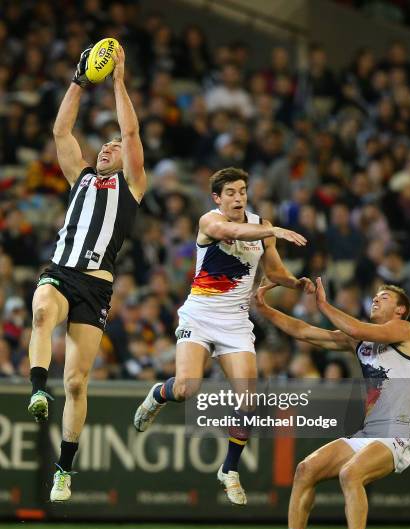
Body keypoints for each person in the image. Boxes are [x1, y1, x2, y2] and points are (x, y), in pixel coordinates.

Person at [134, 167, 315, 505]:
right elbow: (229, 230)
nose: (238, 197)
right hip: (200, 315)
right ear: (217, 198)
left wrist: (296, 282)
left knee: (249, 399)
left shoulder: (261, 227)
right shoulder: (210, 221)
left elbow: (273, 270)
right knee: (187, 388)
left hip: (234, 321)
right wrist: (270, 228)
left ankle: (229, 470)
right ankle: (159, 394)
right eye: (230, 192)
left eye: (242, 191)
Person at [27, 45, 146, 503]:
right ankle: (38, 391)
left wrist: (117, 80)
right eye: (104, 144)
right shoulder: (78, 176)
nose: (108, 147)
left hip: (95, 288)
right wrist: (79, 82)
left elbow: (131, 130)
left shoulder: (132, 186)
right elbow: (61, 129)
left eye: (113, 146)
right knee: (40, 314)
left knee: (76, 381)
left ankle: (64, 468)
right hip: (61, 271)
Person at [255, 279, 410, 529]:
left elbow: (357, 329)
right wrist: (265, 309)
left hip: (398, 434)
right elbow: (304, 332)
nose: (376, 299)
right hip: (368, 433)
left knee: (350, 473)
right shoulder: (361, 342)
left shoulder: (405, 331)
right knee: (306, 468)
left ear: (400, 310)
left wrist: (323, 305)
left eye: (383, 297)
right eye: (374, 296)